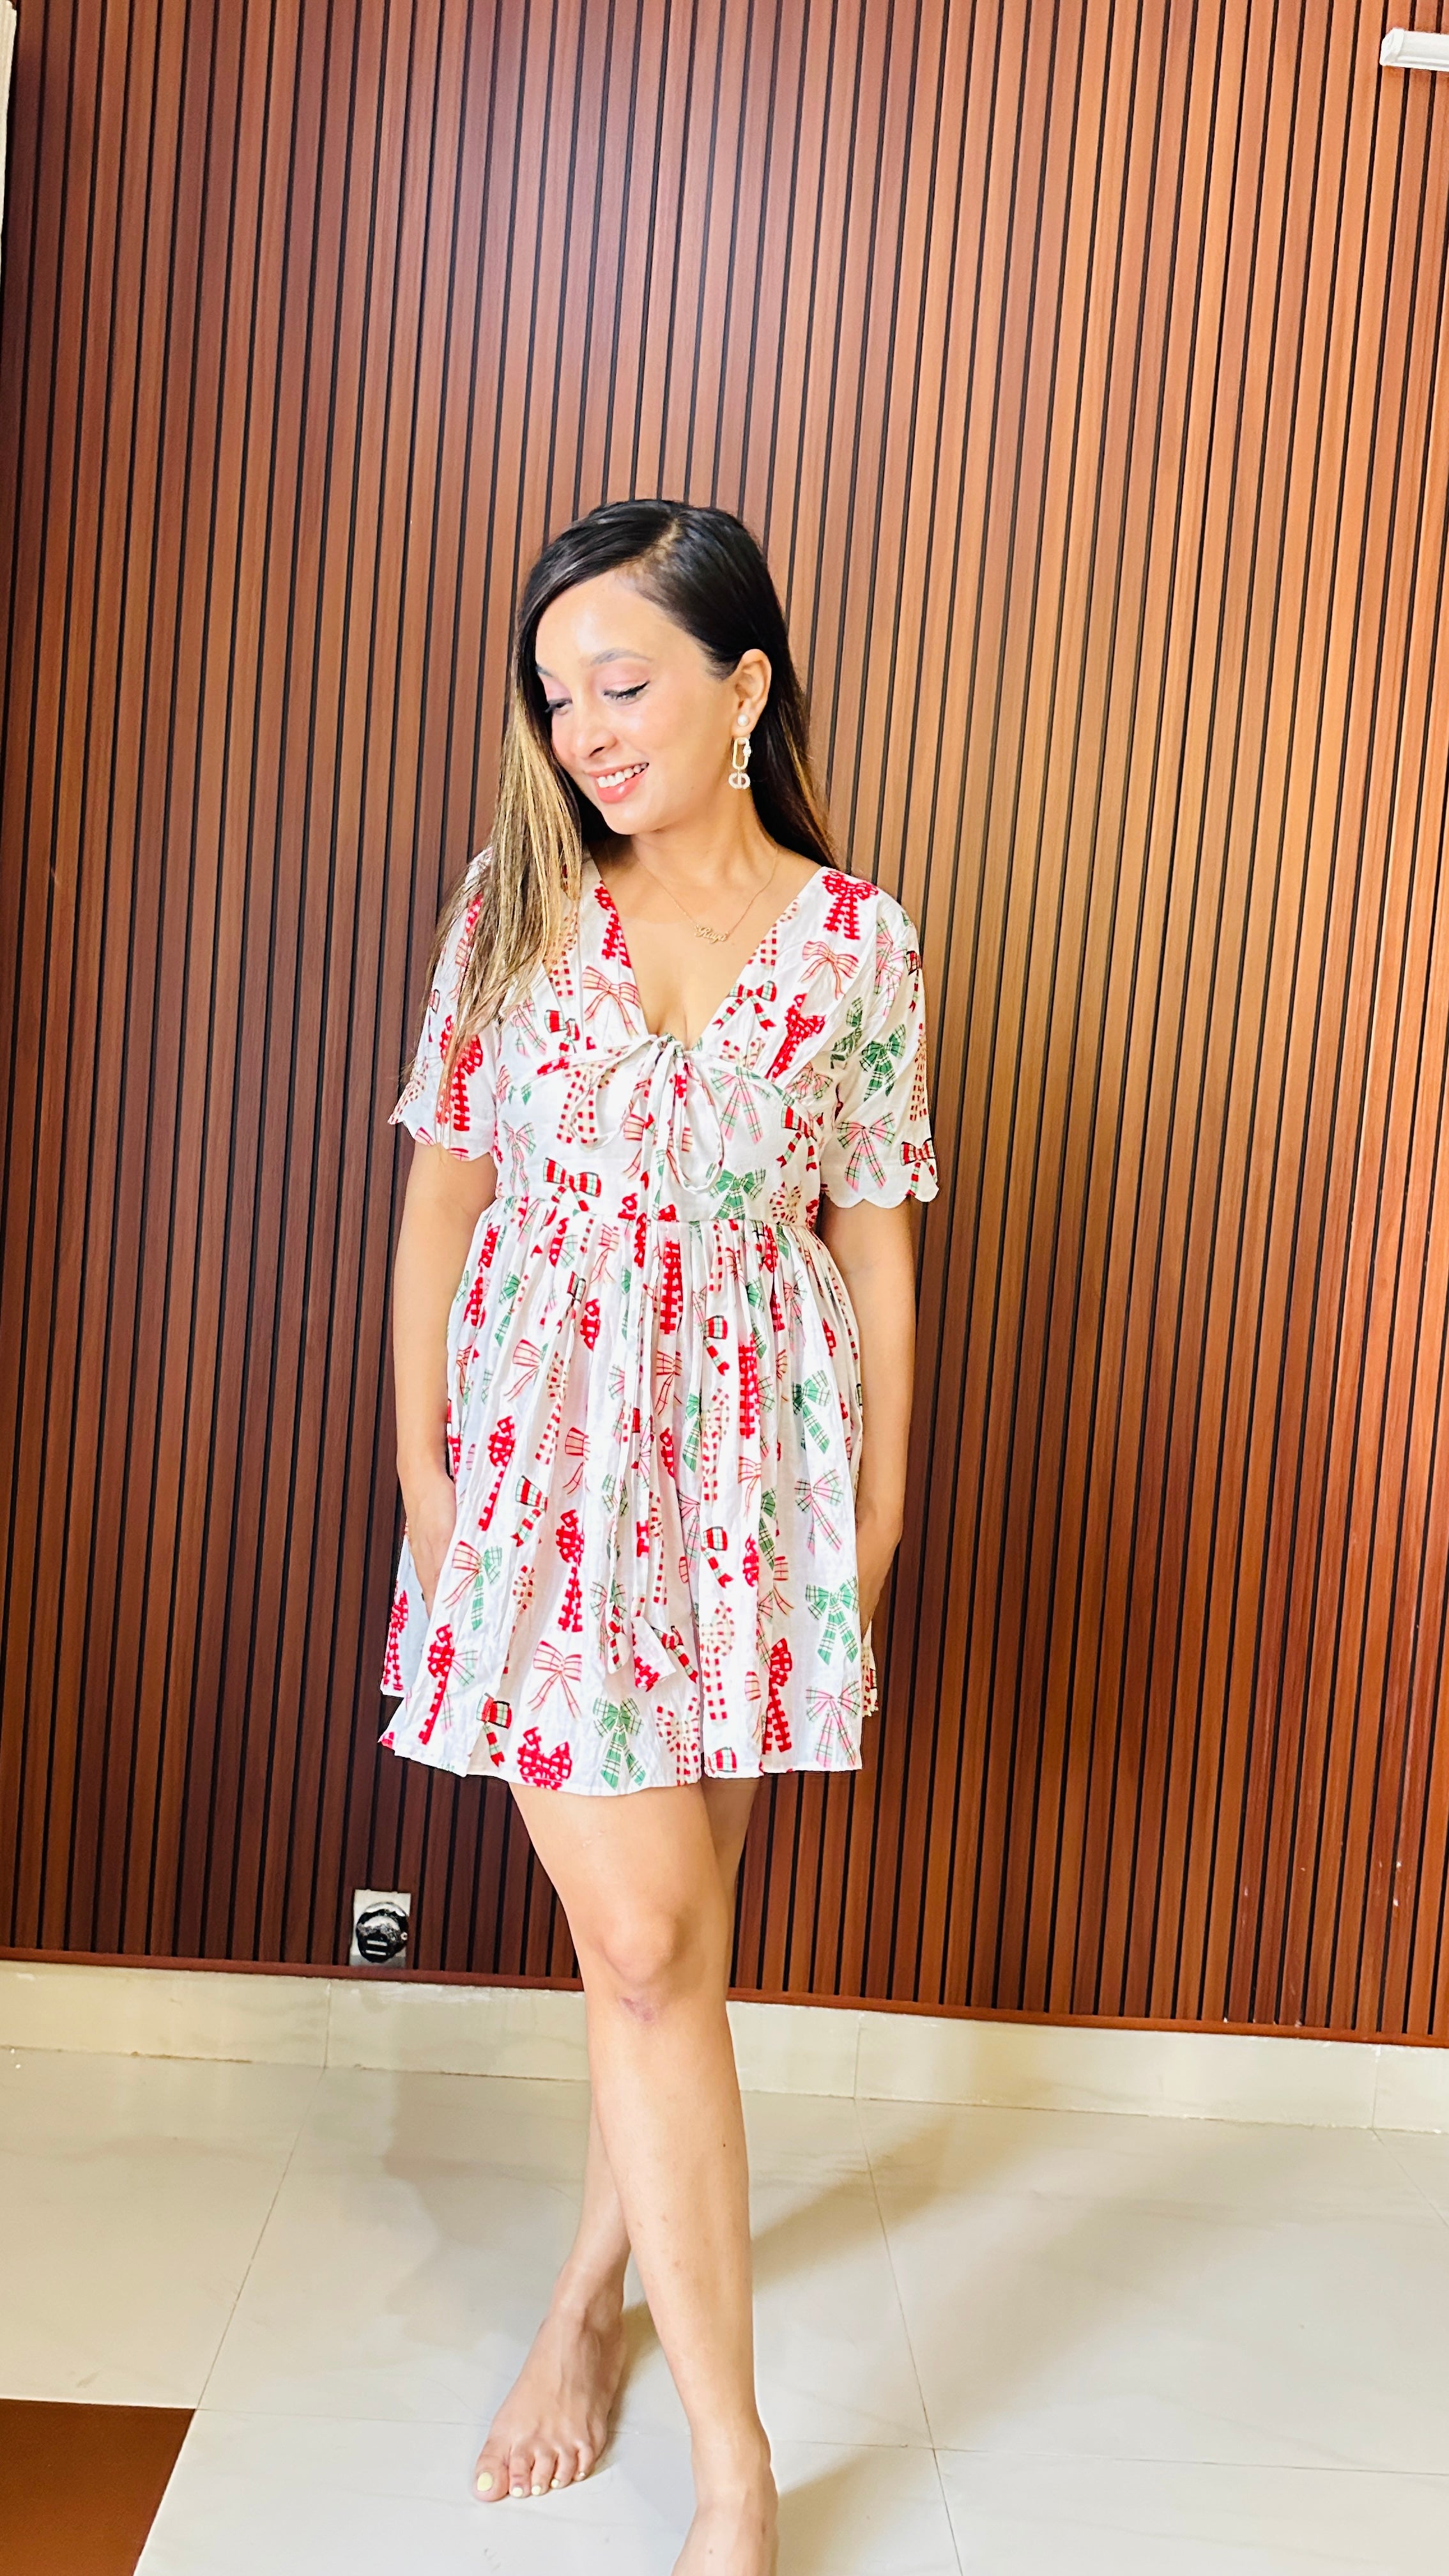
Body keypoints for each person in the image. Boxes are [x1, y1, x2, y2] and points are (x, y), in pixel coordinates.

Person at [379, 498, 939, 2575]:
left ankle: (577, 2305)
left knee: (665, 1957)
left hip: (750, 1481)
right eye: (557, 697)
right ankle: (735, 2468)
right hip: (540, 1468)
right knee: (642, 1948)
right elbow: (441, 1200)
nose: (586, 731)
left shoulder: (858, 938)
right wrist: (431, 1481)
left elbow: (872, 1236)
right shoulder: (513, 901)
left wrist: (875, 1498)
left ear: (745, 685)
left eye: (624, 683)